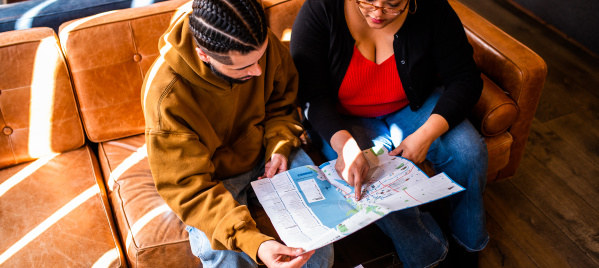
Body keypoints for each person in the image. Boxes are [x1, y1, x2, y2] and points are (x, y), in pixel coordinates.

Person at [290, 0, 489, 267]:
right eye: (366, 1)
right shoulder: (321, 9)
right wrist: (345, 147)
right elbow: (311, 95)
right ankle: (431, 256)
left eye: (393, 4)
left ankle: (468, 248)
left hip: (413, 104)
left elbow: (465, 78)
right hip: (345, 119)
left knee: (469, 153)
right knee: (364, 179)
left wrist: (426, 134)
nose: (377, 12)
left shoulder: (431, 8)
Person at [142, 0, 334, 267]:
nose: (257, 71)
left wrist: (279, 145)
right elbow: (189, 188)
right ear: (204, 55)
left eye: (260, 58)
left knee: (320, 237)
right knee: (226, 257)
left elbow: (282, 106)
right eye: (242, 68)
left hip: (266, 153)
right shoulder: (166, 97)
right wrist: (255, 243)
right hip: (211, 178)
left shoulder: (256, 43)